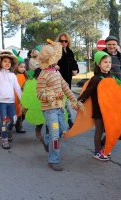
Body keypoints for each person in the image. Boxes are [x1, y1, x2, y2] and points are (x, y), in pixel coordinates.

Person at [37, 42, 79, 171]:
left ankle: (46, 138)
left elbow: (65, 87)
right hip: (50, 110)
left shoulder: (56, 72)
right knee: (56, 136)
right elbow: (39, 94)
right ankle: (53, 160)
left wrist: (74, 100)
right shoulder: (43, 76)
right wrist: (50, 97)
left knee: (62, 131)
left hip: (60, 108)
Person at [103, 35, 121, 140]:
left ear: (117, 45)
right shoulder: (101, 55)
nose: (111, 46)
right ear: (106, 45)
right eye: (109, 44)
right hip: (106, 89)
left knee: (118, 112)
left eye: (113, 44)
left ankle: (117, 132)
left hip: (120, 88)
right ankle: (108, 132)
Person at [0, 51, 22, 149]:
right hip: (0, 102)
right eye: (5, 61)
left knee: (14, 120)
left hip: (11, 102)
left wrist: (22, 100)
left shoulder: (12, 75)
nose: (7, 63)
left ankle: (8, 130)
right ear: (0, 62)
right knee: (3, 121)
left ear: (11, 64)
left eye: (9, 62)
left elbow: (17, 88)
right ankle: (4, 139)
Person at [55, 33, 79, 128]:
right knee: (57, 103)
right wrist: (54, 66)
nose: (63, 43)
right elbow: (49, 61)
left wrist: (76, 70)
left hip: (67, 81)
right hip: (57, 81)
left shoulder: (69, 51)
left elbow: (74, 63)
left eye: (65, 41)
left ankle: (69, 120)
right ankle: (54, 124)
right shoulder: (56, 51)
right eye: (61, 41)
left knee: (66, 103)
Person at [14, 58, 28, 133]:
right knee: (18, 111)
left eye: (24, 67)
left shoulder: (26, 75)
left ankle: (18, 124)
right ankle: (18, 126)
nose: (23, 69)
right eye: (21, 67)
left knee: (23, 112)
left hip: (24, 96)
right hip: (16, 97)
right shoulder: (14, 76)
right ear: (16, 67)